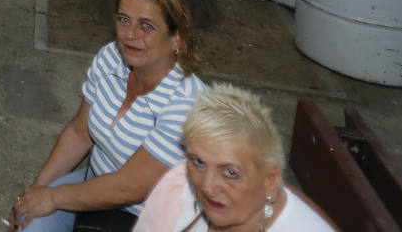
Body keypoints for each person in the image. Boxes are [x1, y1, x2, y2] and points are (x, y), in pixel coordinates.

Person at [10, 0, 207, 232]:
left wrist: (53, 197)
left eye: (146, 26)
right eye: (124, 20)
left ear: (176, 39)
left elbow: (129, 187)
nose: (130, 34)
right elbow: (79, 132)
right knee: (31, 223)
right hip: (98, 181)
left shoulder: (188, 105)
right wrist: (36, 191)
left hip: (162, 216)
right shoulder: (111, 58)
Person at [134, 85, 337, 232]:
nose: (208, 187)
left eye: (230, 173)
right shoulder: (178, 188)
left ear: (270, 180)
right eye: (198, 162)